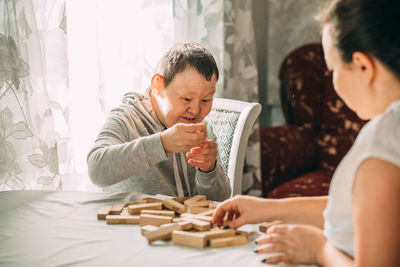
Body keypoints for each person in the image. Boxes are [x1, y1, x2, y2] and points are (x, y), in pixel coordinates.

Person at [213, 0, 400, 265]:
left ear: (362, 66)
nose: (332, 83)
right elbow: (359, 210)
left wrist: (319, 250)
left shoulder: (383, 146)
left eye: (332, 69)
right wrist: (264, 208)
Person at [87, 41, 231, 201]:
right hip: (134, 223)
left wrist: (209, 170)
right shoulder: (127, 118)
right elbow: (95, 170)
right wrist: (162, 144)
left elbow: (221, 200)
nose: (196, 110)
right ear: (158, 85)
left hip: (185, 223)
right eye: (186, 98)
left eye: (206, 100)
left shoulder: (203, 129)